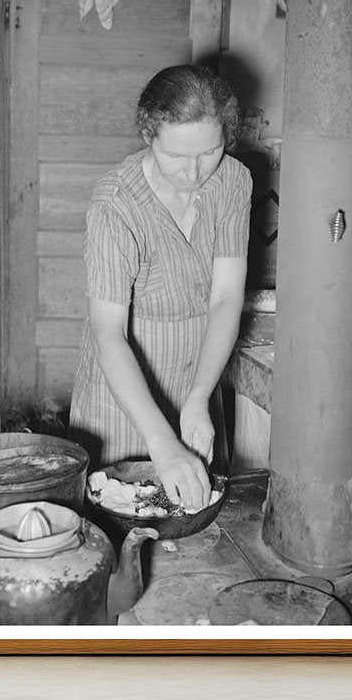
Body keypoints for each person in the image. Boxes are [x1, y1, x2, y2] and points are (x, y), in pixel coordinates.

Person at [69, 65, 252, 512]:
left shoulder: (232, 182)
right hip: (123, 400)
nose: (193, 172)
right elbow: (109, 334)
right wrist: (161, 440)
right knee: (121, 518)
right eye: (175, 156)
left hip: (197, 380)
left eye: (209, 151)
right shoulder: (116, 206)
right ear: (148, 135)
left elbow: (226, 298)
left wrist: (198, 397)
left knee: (193, 518)